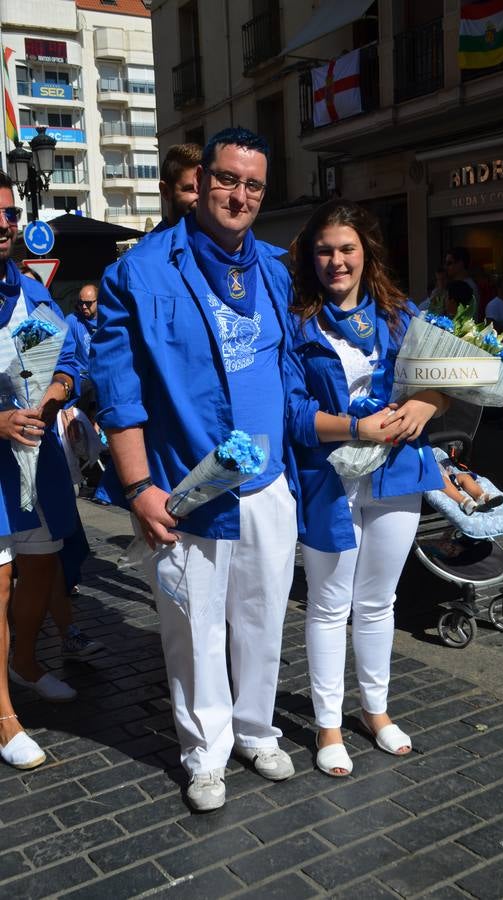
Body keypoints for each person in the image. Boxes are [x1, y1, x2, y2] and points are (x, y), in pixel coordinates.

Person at [90, 127, 297, 811]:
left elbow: (290, 367)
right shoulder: (140, 272)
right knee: (194, 629)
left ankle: (255, 729)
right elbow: (119, 392)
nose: (239, 194)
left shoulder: (274, 266)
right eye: (228, 179)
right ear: (201, 180)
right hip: (189, 488)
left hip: (269, 486)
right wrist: (139, 487)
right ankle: (204, 753)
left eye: (253, 184)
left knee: (264, 618)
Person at [287, 199, 448, 777]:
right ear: (312, 255)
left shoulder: (399, 315)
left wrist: (428, 403)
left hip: (396, 470)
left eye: (346, 249)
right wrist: (355, 426)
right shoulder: (297, 322)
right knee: (330, 605)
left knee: (379, 602)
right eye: (325, 249)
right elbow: (293, 413)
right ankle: (329, 724)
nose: (336, 261)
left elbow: (442, 379)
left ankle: (376, 712)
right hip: (328, 477)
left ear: (366, 253)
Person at [0, 171, 80, 770]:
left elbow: (71, 354)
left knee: (41, 566)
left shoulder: (31, 286)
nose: (5, 222)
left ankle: (24, 662)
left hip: (38, 459)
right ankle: (4, 716)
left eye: (9, 212)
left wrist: (55, 390)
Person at [433, 451, 503, 516]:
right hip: (436, 480)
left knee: (464, 476)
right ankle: (465, 502)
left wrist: (448, 472)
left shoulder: (433, 459)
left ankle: (482, 497)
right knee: (441, 480)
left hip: (450, 477)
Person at [66, 284, 98, 420]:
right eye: (80, 303)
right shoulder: (72, 321)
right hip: (83, 379)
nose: (84, 306)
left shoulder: (108, 320)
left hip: (102, 376)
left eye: (88, 303)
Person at [155, 143, 202, 229]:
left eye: (204, 188)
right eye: (191, 189)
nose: (201, 196)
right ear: (165, 192)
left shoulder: (224, 238)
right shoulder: (153, 242)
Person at [444, 247, 479, 319]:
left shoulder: (469, 287)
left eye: (449, 263)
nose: (446, 267)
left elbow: (469, 316)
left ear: (460, 263)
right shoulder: (453, 284)